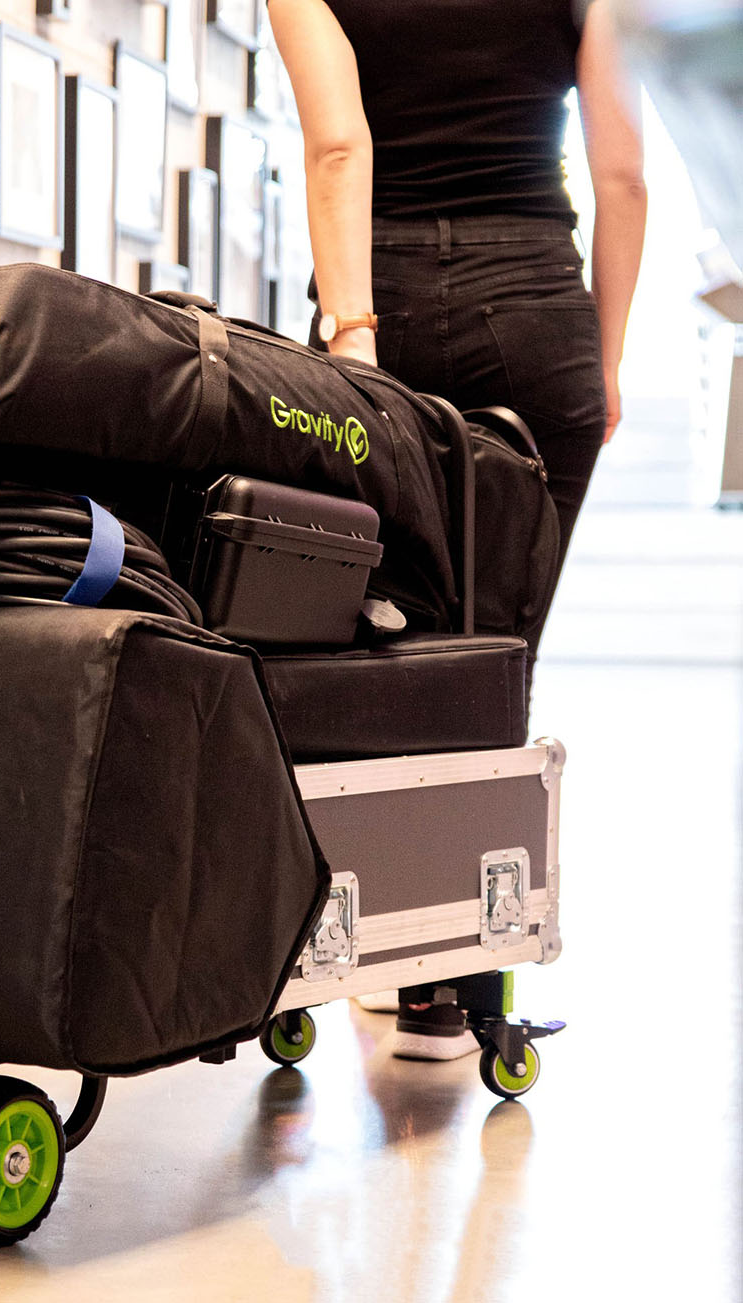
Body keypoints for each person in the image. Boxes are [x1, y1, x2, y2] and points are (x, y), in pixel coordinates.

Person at [266, 0, 647, 1059]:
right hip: (535, 308)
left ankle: (339, 941)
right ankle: (450, 983)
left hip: (375, 297)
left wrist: (352, 339)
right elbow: (622, 176)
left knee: (357, 646)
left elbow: (338, 145)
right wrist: (607, 356)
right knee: (493, 656)